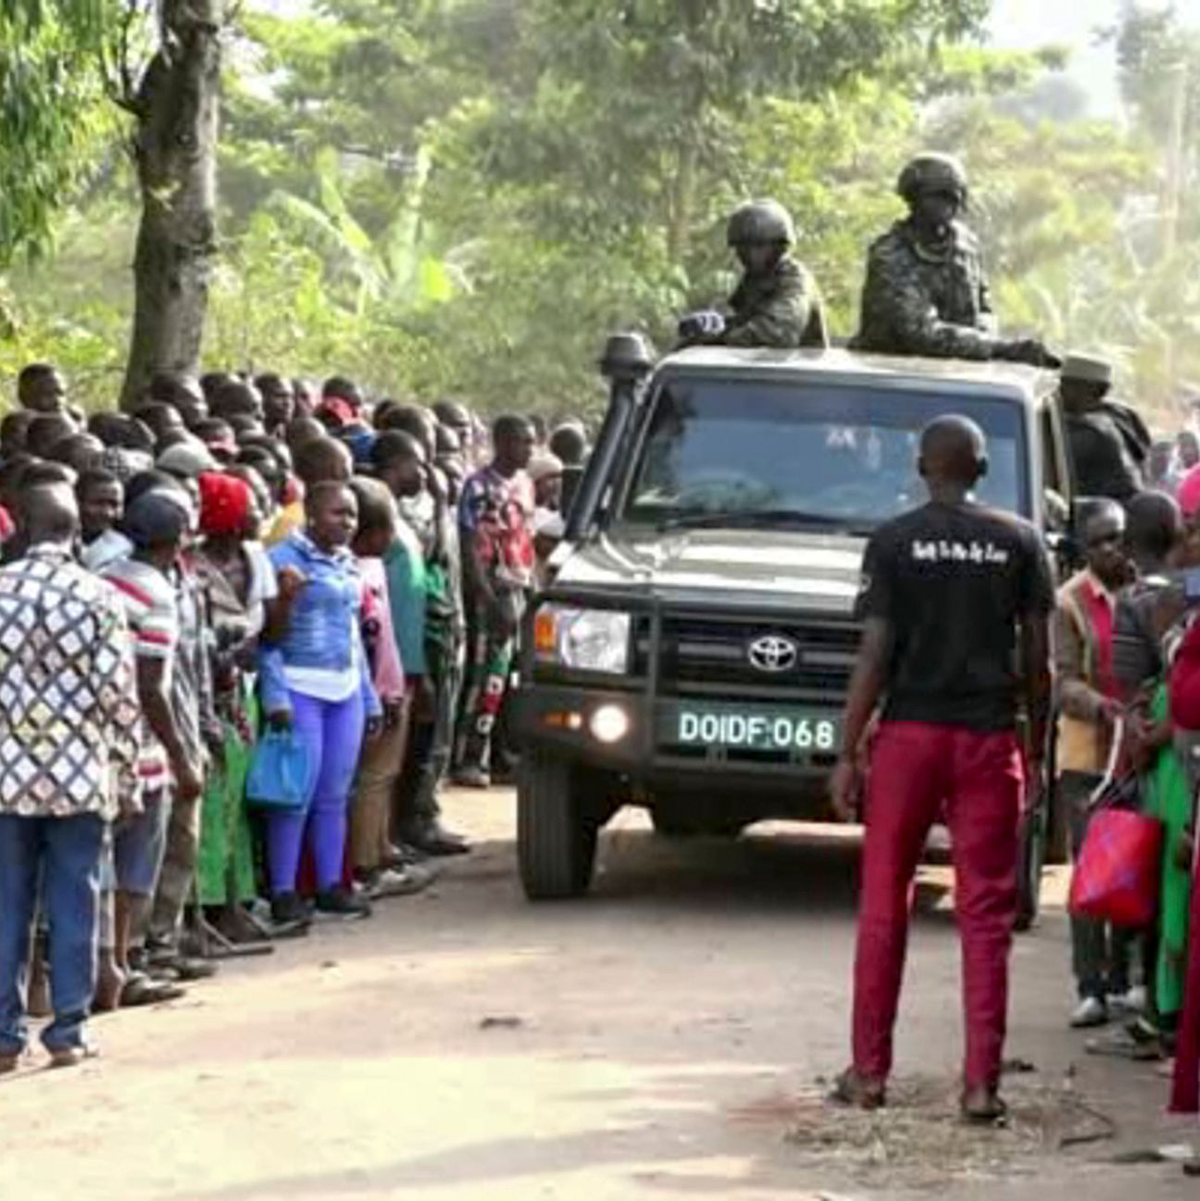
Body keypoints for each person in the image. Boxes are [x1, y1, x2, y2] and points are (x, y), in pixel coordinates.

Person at [829, 415, 1054, 1121]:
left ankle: (869, 1075)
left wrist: (846, 748)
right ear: (982, 468)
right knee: (985, 912)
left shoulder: (894, 541)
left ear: (921, 464)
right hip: (988, 741)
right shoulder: (1021, 540)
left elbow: (873, 653)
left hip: (909, 738)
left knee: (883, 901)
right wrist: (1038, 748)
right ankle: (981, 1085)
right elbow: (1039, 662)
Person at [0, 483, 140, 1070]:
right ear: (75, 529)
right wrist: (128, 770)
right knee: (74, 898)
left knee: (6, 900)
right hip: (77, 773)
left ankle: (4, 1038)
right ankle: (68, 1030)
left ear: (23, 529)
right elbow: (119, 694)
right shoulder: (98, 596)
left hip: (5, 775)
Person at [260, 481, 383, 925]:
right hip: (299, 687)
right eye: (337, 513)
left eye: (351, 515)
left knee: (334, 794)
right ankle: (284, 891)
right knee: (295, 794)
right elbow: (267, 639)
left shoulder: (349, 565)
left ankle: (332, 884)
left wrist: (368, 699)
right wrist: (275, 695)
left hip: (344, 687)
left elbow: (352, 637)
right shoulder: (280, 561)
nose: (346, 523)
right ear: (310, 512)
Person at [103, 490, 202, 1007]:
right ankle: (129, 962)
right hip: (143, 748)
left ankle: (110, 962)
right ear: (177, 539)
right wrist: (182, 755)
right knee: (138, 863)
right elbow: (152, 686)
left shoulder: (103, 577)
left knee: (105, 864)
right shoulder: (158, 595)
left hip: (99, 746)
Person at [854, 153, 1057, 366]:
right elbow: (919, 333)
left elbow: (983, 307)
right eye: (936, 196)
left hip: (960, 374)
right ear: (914, 199)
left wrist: (988, 339)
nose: (946, 205)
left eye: (953, 197)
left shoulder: (966, 246)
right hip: (892, 378)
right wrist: (998, 348)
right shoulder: (890, 254)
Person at [1056, 499, 1134, 1028]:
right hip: (1087, 753)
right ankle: (1090, 987)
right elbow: (1062, 681)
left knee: (1131, 867)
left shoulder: (1145, 592)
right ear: (1085, 549)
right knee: (1088, 871)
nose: (1113, 548)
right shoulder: (1070, 602)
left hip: (1135, 753)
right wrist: (1102, 707)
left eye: (1119, 537)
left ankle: (1122, 978)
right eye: (1102, 540)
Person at [193, 471, 277, 942]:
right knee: (209, 801)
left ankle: (235, 901)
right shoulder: (194, 569)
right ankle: (202, 908)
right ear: (226, 516)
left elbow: (266, 629)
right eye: (248, 508)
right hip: (209, 693)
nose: (257, 516)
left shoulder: (254, 558)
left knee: (238, 803)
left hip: (245, 690)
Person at [347, 477, 431, 899]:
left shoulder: (374, 566)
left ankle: (379, 848)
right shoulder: (362, 574)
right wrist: (389, 691)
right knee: (375, 776)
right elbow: (375, 640)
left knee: (385, 772)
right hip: (380, 688)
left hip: (394, 680)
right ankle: (365, 864)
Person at [454, 415, 536, 788]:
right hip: (492, 592)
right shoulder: (477, 487)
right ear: (502, 442)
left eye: (532, 442)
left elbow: (525, 539)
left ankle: (503, 756)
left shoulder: (524, 484)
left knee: (511, 679)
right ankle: (471, 757)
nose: (529, 449)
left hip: (519, 588)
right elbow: (469, 546)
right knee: (487, 676)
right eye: (523, 442)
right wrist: (485, 595)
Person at [678, 200, 827, 350]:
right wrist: (711, 324)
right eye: (743, 247)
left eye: (759, 246)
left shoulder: (796, 281)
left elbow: (777, 332)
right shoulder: (753, 281)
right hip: (758, 368)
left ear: (779, 246)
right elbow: (738, 318)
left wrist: (720, 338)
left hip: (796, 370)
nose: (749, 254)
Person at [1061, 355, 1150, 503]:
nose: (1060, 390)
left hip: (1108, 508)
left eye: (1069, 385)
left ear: (1093, 389)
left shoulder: (1091, 429)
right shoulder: (1120, 414)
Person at [77, 468, 128, 572]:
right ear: (77, 502)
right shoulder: (55, 544)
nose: (107, 513)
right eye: (98, 503)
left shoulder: (125, 552)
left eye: (114, 504)